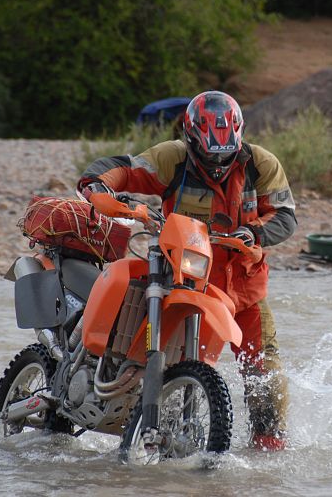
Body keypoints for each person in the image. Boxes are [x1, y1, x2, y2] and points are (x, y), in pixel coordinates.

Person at [77, 91, 296, 451]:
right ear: (193, 139)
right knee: (153, 350)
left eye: (225, 155)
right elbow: (128, 168)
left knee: (264, 372)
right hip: (184, 277)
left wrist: (255, 231)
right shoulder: (172, 158)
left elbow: (286, 216)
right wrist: (97, 184)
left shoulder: (262, 164)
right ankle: (122, 396)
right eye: (209, 154)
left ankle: (268, 447)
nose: (217, 162)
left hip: (244, 287)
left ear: (238, 137)